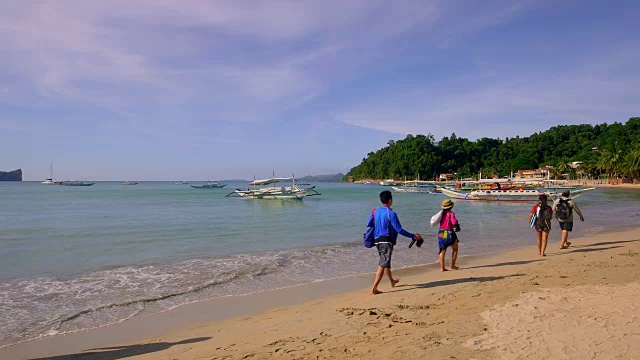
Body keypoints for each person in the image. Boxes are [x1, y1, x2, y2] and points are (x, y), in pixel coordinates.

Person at [366, 190, 422, 295]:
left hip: (377, 240)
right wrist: (413, 236)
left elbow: (368, 223)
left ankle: (392, 281)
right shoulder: (391, 213)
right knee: (383, 263)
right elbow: (399, 230)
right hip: (386, 240)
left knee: (385, 261)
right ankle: (374, 288)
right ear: (390, 200)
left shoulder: (375, 211)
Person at [438, 199, 460, 271]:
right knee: (455, 249)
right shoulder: (451, 213)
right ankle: (452, 265)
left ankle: (442, 268)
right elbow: (454, 222)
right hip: (449, 233)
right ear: (451, 207)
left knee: (442, 250)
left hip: (441, 232)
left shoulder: (440, 214)